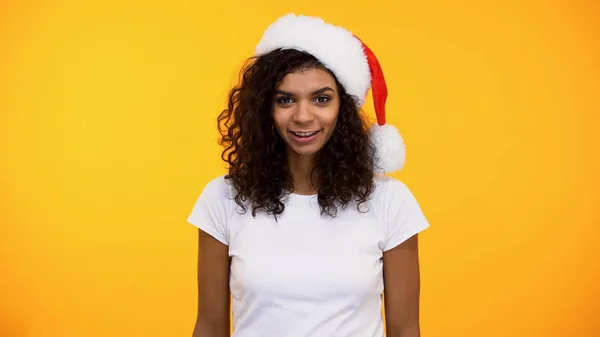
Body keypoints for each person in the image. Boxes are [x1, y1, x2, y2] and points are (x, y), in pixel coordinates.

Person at [188, 13, 430, 337]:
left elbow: (405, 330)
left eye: (321, 99)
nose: (303, 116)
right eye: (285, 100)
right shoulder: (222, 199)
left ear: (343, 107)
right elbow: (209, 327)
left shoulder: (390, 201)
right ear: (265, 110)